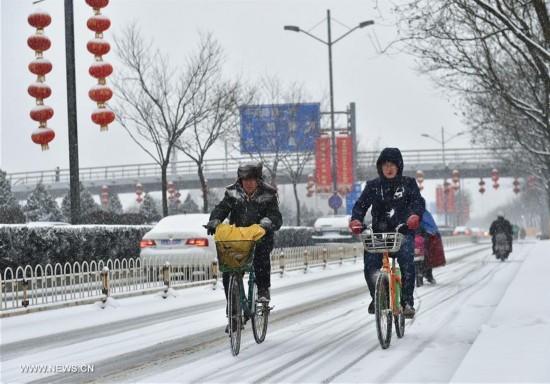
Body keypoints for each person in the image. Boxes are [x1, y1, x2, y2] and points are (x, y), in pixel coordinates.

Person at [349, 147, 425, 318]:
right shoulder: (373, 186)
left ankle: (407, 302)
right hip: (379, 235)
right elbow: (360, 206)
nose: (389, 168)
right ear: (380, 167)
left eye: (392, 165)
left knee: (406, 260)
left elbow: (417, 203)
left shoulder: (408, 184)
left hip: (402, 232)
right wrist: (356, 220)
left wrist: (414, 216)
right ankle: (377, 297)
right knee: (370, 263)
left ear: (399, 166)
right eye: (385, 165)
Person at [206, 162, 282, 307]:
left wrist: (268, 222)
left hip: (260, 239)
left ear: (258, 180)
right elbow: (222, 208)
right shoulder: (232, 193)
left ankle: (263, 290)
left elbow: (276, 216)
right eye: (245, 179)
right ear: (240, 180)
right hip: (238, 240)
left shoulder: (268, 194)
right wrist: (215, 220)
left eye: (252, 179)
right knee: (229, 272)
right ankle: (234, 312)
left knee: (261, 259)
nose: (248, 183)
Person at [418, 209, 446, 284]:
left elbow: (430, 227)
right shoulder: (424, 213)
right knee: (426, 255)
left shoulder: (423, 213)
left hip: (425, 236)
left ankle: (427, 274)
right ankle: (426, 274)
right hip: (419, 235)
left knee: (427, 255)